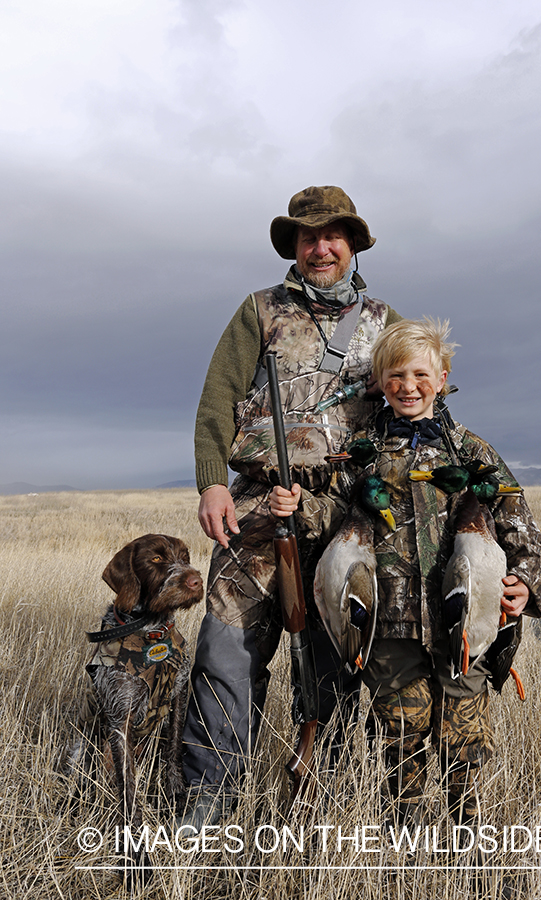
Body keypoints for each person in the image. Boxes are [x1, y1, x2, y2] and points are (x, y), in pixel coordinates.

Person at [270, 317, 541, 826]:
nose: (409, 387)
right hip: (390, 629)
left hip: (465, 627)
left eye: (421, 374)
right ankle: (410, 850)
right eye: (395, 375)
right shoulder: (361, 453)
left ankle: (467, 849)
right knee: (402, 742)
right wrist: (297, 506)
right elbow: (330, 515)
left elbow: (520, 524)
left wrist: (525, 582)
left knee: (464, 744)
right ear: (379, 382)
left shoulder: (472, 452)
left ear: (442, 377)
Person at [181, 186, 402, 826]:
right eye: (308, 236)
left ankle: (315, 820)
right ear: (295, 247)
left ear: (353, 244)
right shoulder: (258, 312)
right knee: (223, 659)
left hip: (348, 524)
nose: (321, 246)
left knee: (333, 671)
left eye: (333, 235)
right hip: (256, 513)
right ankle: (205, 819)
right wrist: (211, 483)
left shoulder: (386, 324)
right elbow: (217, 400)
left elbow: (413, 410)